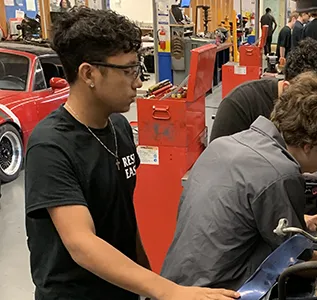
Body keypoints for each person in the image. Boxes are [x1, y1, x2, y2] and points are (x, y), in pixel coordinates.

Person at [24, 7, 239, 300]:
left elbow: (124, 217)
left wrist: (149, 282)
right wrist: (168, 291)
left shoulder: (119, 127)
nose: (138, 82)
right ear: (89, 73)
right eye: (128, 71)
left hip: (122, 290)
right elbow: (81, 243)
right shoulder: (51, 145)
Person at [160, 72, 317, 290]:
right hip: (218, 291)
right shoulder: (280, 173)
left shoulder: (227, 144)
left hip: (173, 287)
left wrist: (301, 221)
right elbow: (297, 260)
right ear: (308, 146)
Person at [210, 38, 317, 210]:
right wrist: (296, 223)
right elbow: (221, 192)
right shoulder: (241, 106)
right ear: (287, 89)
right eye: (314, 104)